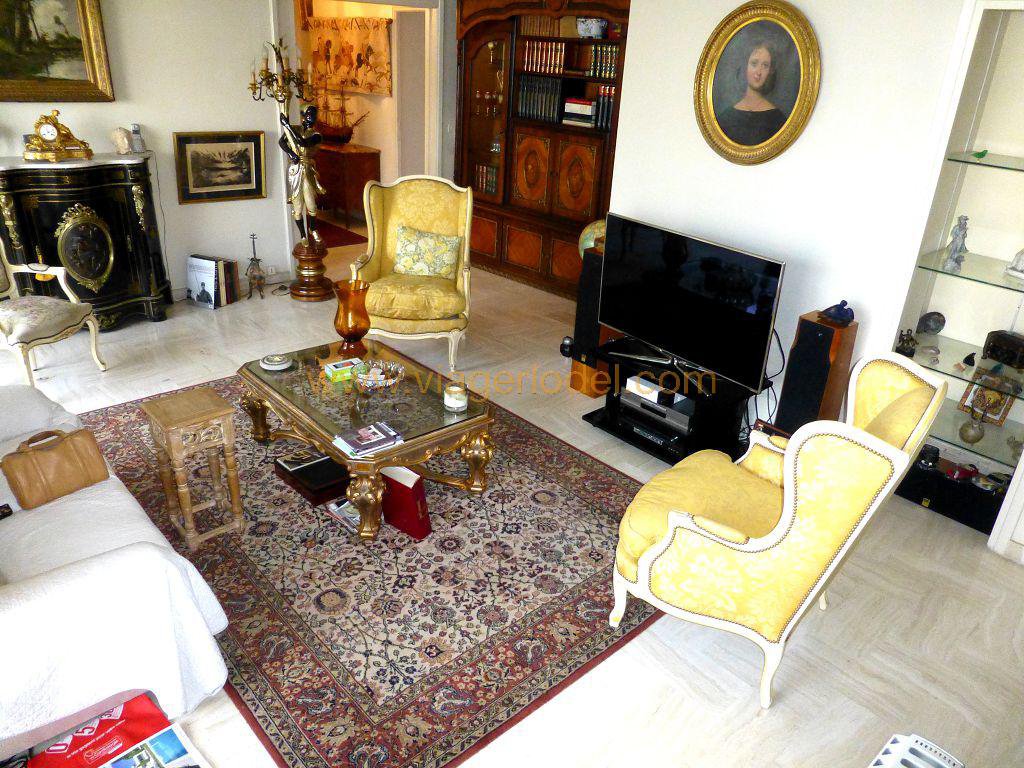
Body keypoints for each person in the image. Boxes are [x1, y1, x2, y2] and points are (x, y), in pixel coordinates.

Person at [716, 40, 787, 146]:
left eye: (765, 66)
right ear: (746, 66)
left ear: (770, 71)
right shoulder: (726, 118)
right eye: (754, 64)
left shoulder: (778, 120)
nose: (758, 72)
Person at [279, 105, 325, 243]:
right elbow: (281, 142)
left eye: (314, 114)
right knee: (297, 206)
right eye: (309, 113)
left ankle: (313, 228)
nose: (312, 117)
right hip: (294, 171)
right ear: (303, 115)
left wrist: (287, 125)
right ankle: (303, 234)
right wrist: (291, 154)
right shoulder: (296, 129)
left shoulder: (317, 135)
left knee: (311, 205)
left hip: (308, 170)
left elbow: (302, 142)